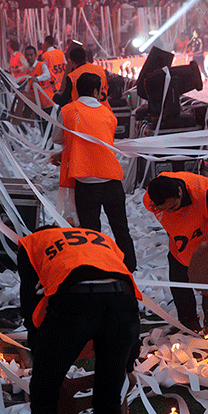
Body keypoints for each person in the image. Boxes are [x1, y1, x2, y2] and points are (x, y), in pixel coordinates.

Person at [18, 225, 141, 414]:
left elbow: (29, 300)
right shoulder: (100, 238)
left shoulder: (31, 243)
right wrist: (130, 355)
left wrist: (40, 351)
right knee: (108, 401)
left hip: (75, 302)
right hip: (123, 304)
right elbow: (121, 276)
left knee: (43, 397)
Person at [50, 72, 137, 272]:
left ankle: (95, 267)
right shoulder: (108, 114)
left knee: (90, 231)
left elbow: (58, 138)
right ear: (97, 91)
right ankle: (129, 267)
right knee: (121, 229)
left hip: (85, 181)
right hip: (111, 179)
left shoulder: (67, 110)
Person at [143, 172, 208, 334]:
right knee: (179, 287)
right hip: (180, 248)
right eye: (164, 209)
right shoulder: (152, 199)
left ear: (179, 191)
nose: (169, 212)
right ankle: (189, 328)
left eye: (172, 207)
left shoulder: (205, 193)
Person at [24, 45, 54, 112]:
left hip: (48, 102)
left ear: (35, 55)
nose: (29, 57)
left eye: (31, 55)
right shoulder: (28, 71)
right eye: (27, 55)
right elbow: (28, 87)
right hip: (38, 105)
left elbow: (47, 75)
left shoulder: (41, 65)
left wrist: (37, 78)